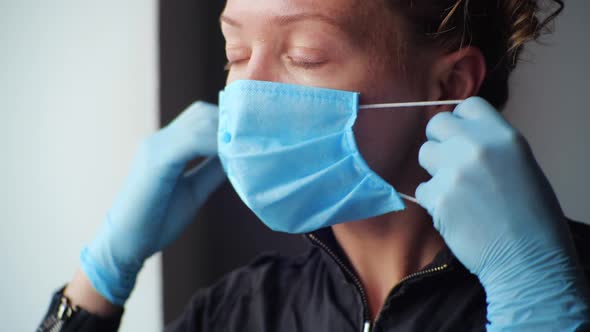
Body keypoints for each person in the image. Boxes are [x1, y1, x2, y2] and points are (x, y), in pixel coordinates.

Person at [38, 0, 590, 331]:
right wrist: (101, 276)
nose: (247, 91)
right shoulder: (241, 312)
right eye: (234, 52)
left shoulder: (564, 287)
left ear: (448, 85)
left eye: (304, 55)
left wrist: (538, 311)